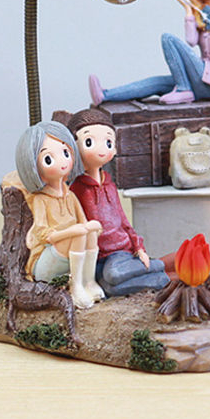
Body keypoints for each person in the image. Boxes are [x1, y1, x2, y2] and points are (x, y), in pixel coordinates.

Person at [68, 109, 170, 297]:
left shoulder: (110, 185)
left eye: (108, 142)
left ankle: (159, 265)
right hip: (96, 255)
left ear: (114, 149)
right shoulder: (77, 189)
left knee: (114, 274)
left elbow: (123, 221)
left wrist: (138, 247)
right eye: (89, 142)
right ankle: (160, 279)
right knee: (109, 288)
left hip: (119, 252)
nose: (102, 149)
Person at [16, 120, 104, 310]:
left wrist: (93, 227)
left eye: (66, 153)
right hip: (48, 265)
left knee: (88, 230)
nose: (63, 162)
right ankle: (76, 287)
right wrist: (73, 232)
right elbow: (45, 235)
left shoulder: (70, 196)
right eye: (48, 159)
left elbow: (84, 223)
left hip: (70, 260)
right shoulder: (41, 199)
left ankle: (89, 281)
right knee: (79, 233)